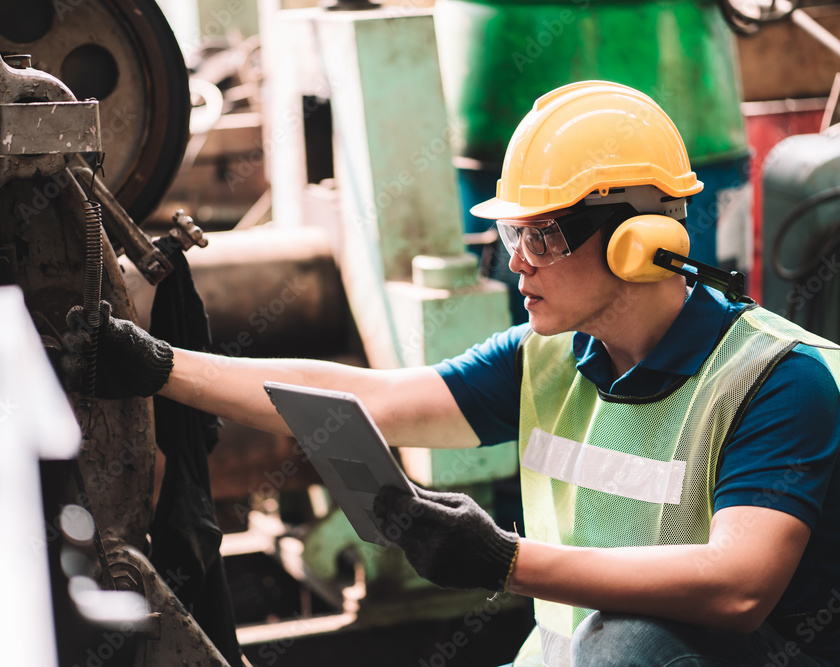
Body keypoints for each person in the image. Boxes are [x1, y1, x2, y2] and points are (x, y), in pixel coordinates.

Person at [65, 81, 840, 667]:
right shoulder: (550, 358)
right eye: (510, 232)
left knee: (630, 639)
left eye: (542, 235)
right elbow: (370, 399)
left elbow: (738, 587)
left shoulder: (775, 381)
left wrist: (502, 557)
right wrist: (161, 366)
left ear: (633, 240)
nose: (515, 262)